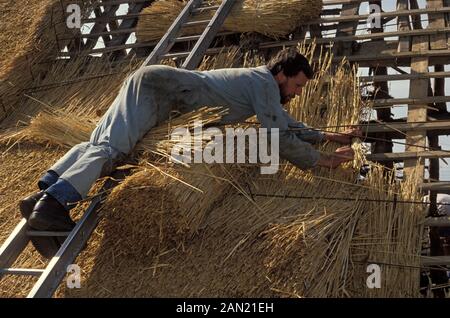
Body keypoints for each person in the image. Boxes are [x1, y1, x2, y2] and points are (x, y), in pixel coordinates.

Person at [19, 48, 360, 257]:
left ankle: (42, 196)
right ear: (282, 74)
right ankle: (53, 207)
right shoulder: (263, 84)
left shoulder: (263, 86)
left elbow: (287, 124)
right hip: (161, 90)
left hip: (156, 85)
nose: (298, 92)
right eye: (297, 85)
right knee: (113, 150)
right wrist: (323, 161)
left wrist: (330, 135)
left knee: (99, 143)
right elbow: (277, 136)